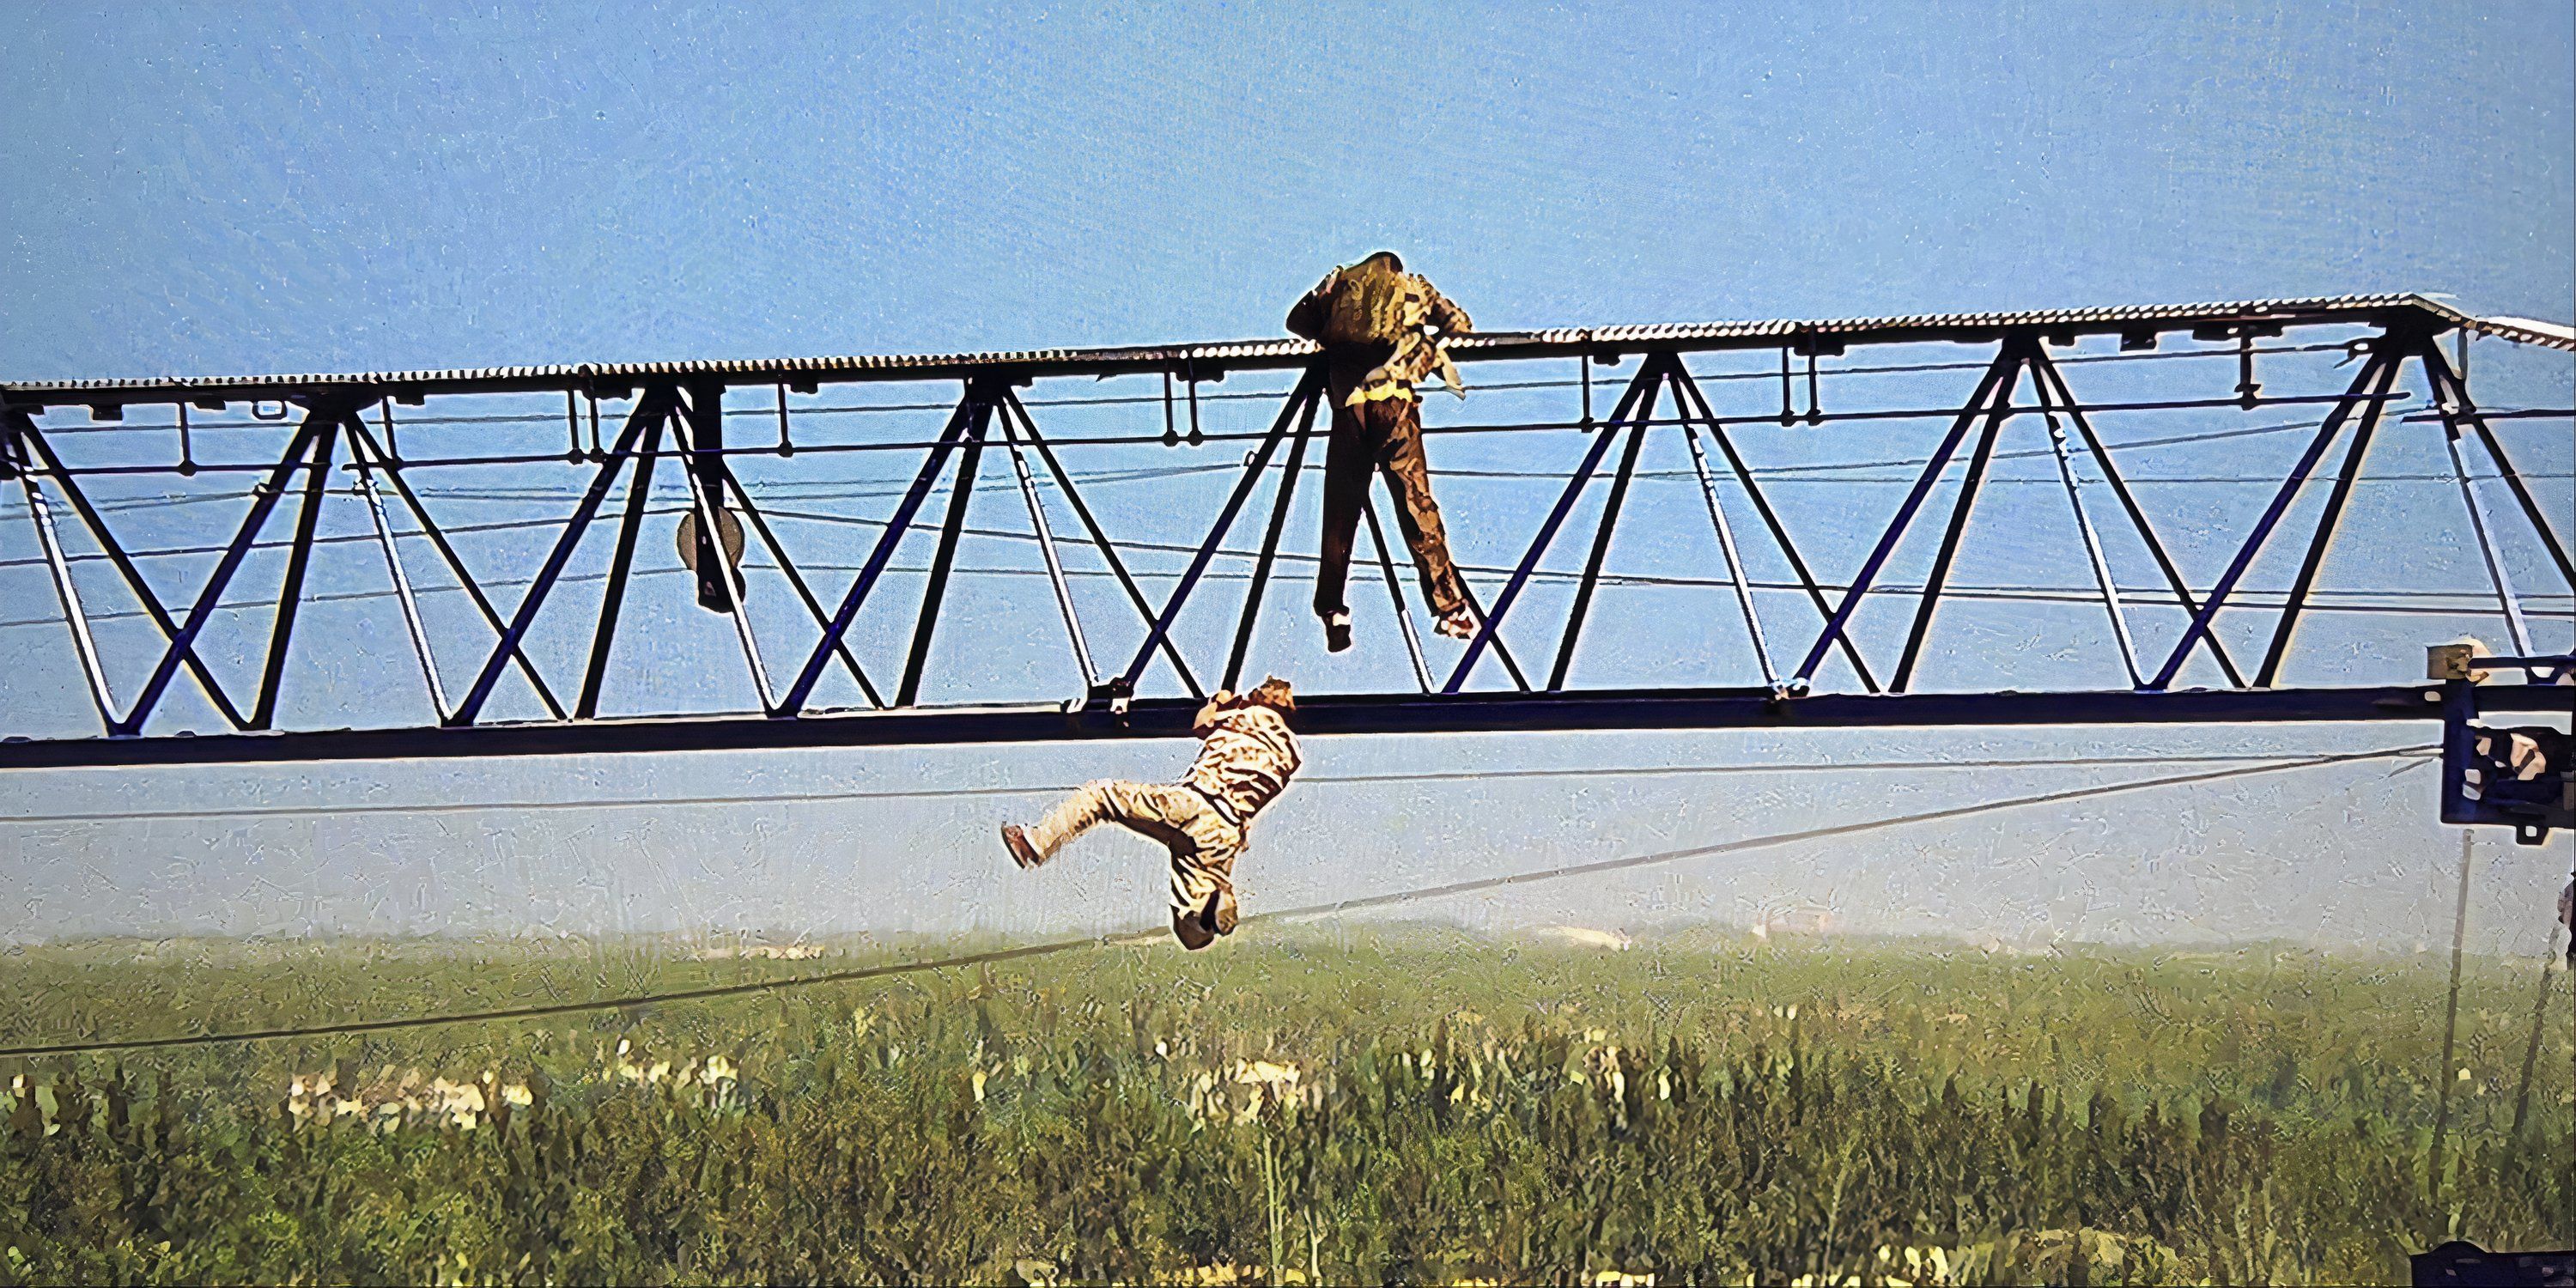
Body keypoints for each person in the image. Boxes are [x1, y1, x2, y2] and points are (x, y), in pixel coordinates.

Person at [1001, 677, 1302, 949]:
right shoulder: (1291, 754)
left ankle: (1037, 843)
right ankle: (1213, 911)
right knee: (1190, 934)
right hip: (1225, 831)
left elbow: (1200, 724)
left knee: (1102, 795)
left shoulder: (1238, 716)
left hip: (1193, 802)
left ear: (1259, 698)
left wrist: (1219, 702)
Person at [1285, 252, 1478, 653]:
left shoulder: (1339, 286)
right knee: (1416, 507)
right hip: (1396, 408)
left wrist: (1328, 315)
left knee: (1340, 515)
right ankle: (1449, 607)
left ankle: (1333, 610)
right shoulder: (1413, 287)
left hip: (1350, 406)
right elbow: (1460, 325)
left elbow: (1297, 322)